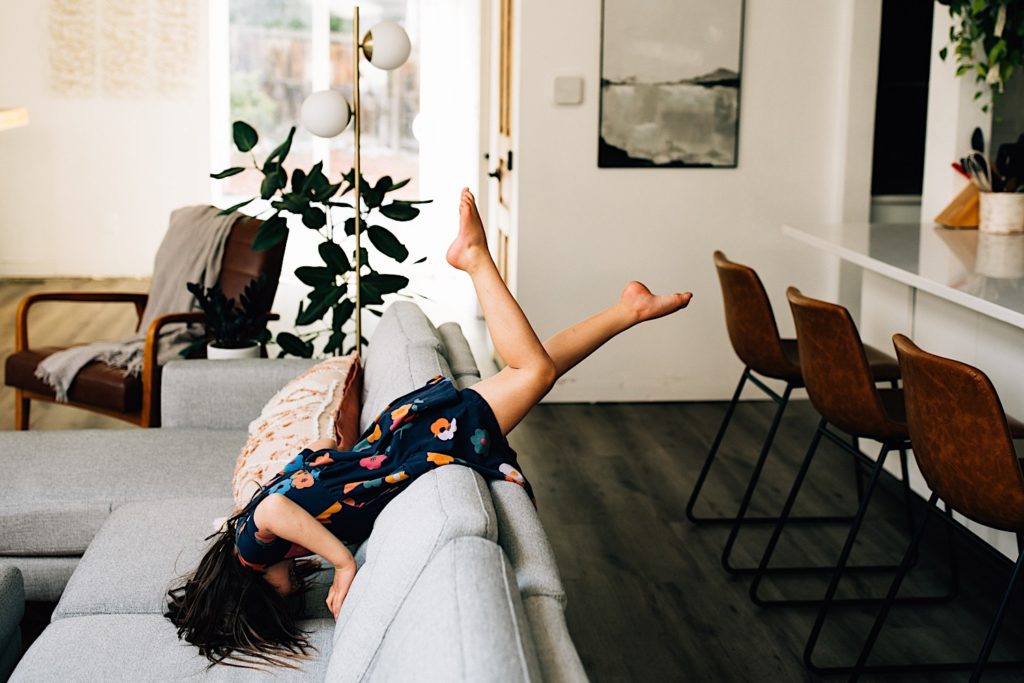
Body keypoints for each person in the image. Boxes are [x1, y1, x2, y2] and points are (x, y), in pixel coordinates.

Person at [165, 189, 693, 668]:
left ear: (251, 593)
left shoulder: (254, 552)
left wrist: (343, 564)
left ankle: (475, 259)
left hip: (417, 445)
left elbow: (278, 509)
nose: (294, 591)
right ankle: (628, 311)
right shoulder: (249, 531)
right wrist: (331, 458)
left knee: (532, 372)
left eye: (284, 598)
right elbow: (313, 456)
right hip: (397, 438)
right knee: (531, 373)